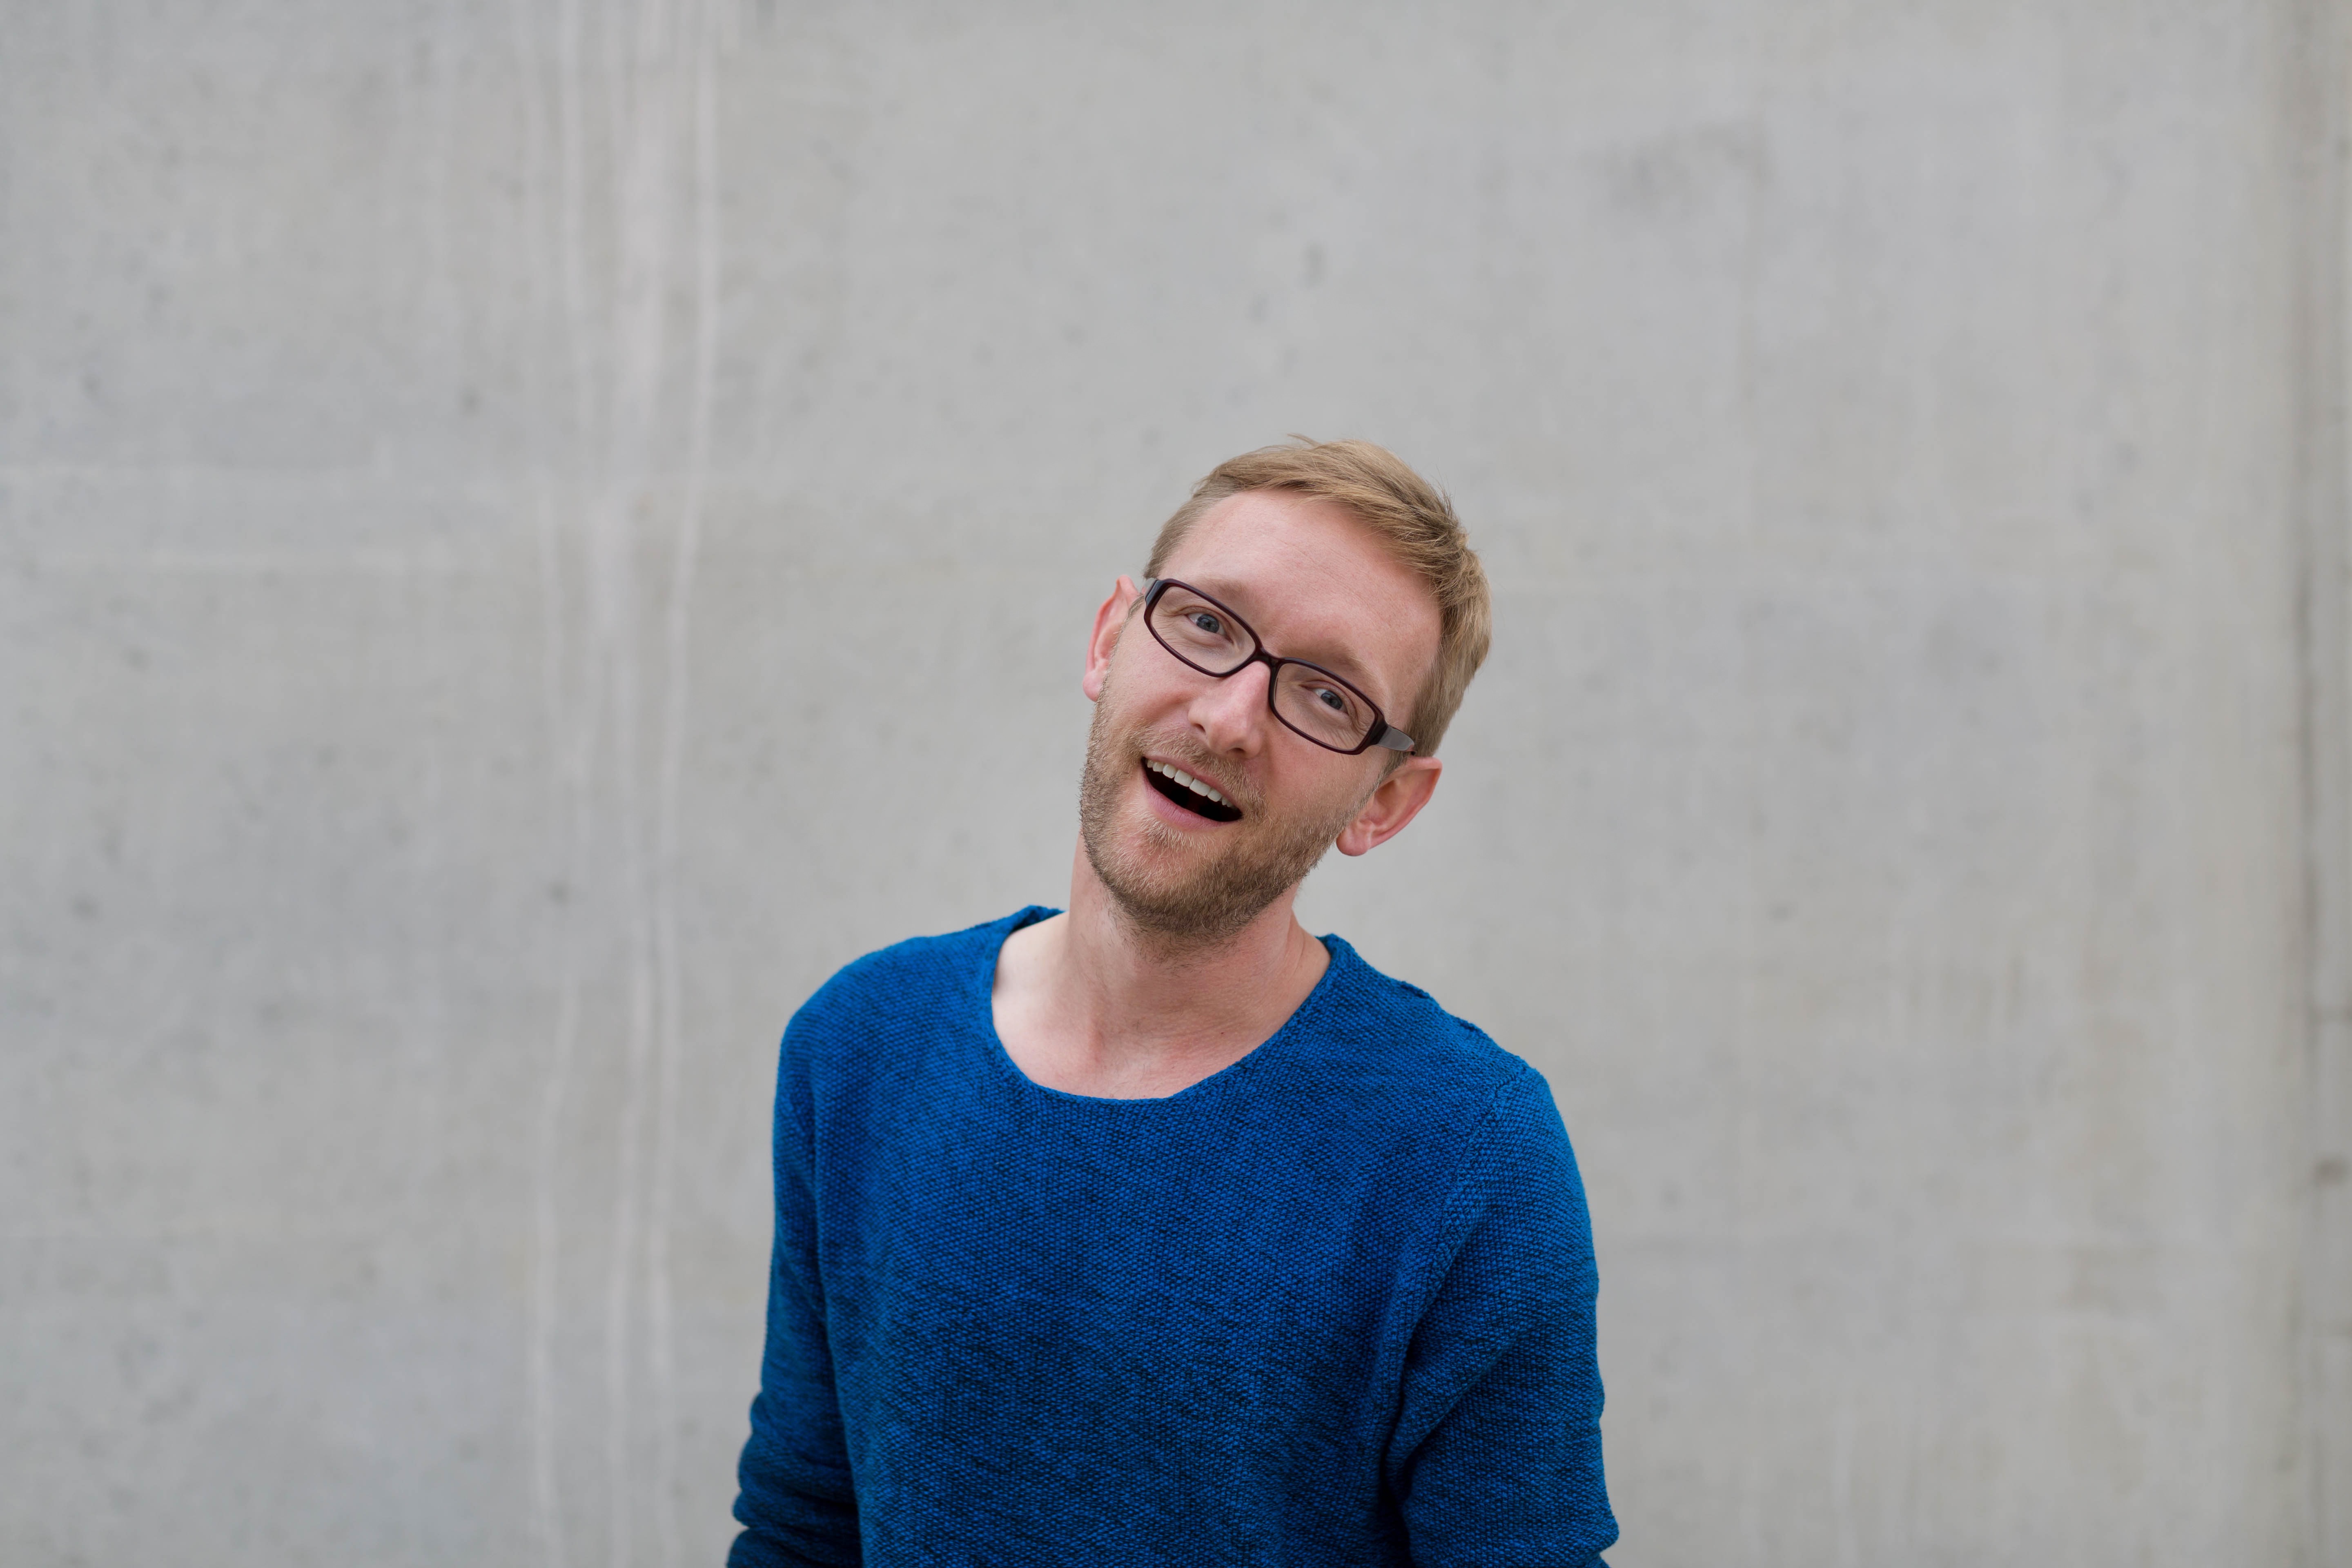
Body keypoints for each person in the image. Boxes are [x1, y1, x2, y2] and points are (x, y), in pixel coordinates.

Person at [727, 439, 1615, 1566]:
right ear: (1111, 637)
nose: (1231, 717)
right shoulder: (862, 1047)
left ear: (1385, 802)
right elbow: (804, 1527)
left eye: (1327, 694)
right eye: (1205, 623)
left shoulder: (1470, 1156)